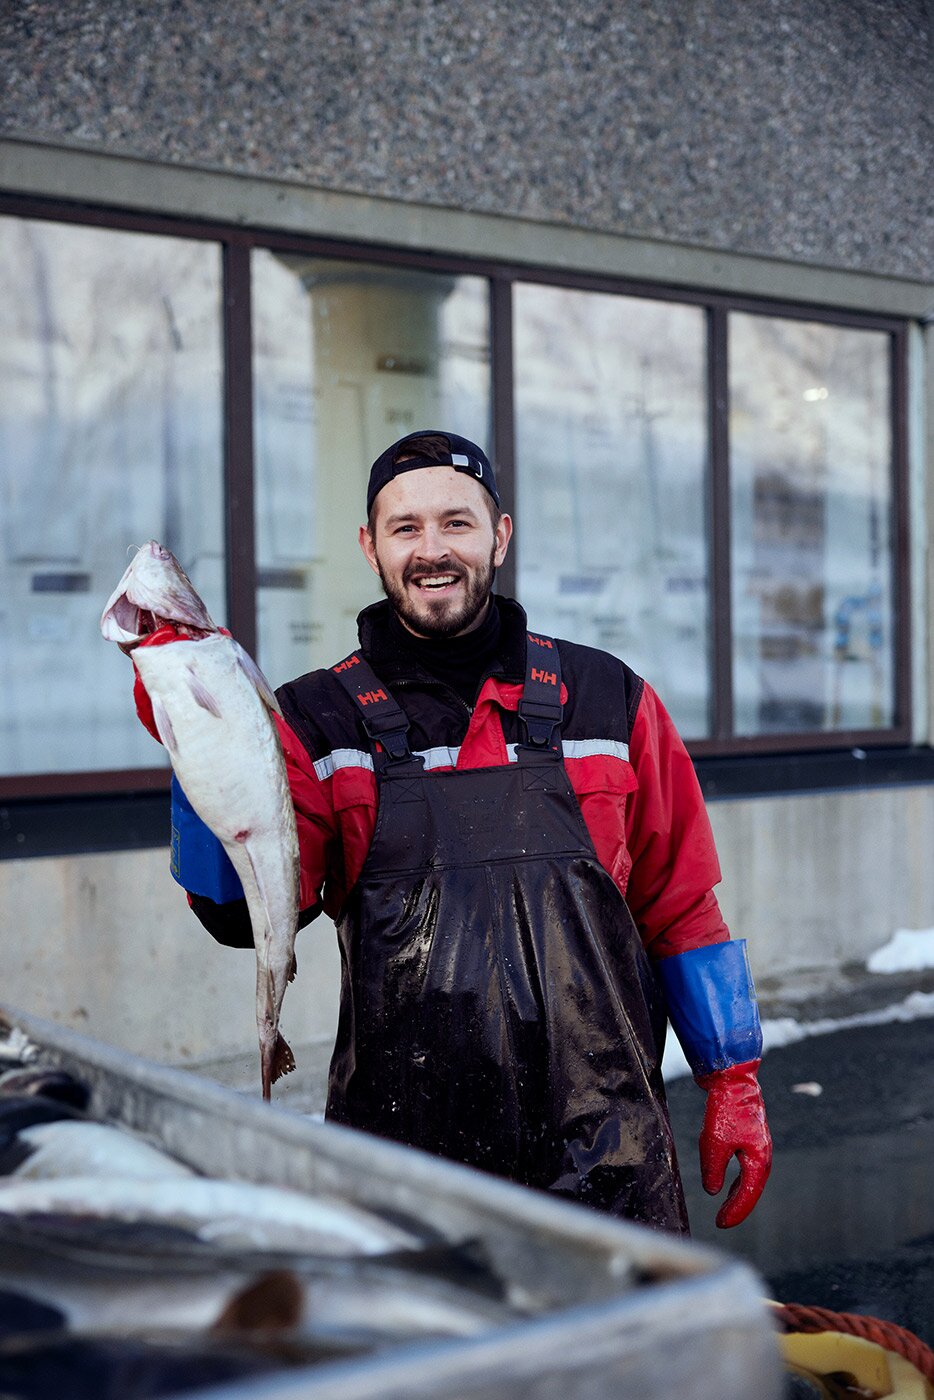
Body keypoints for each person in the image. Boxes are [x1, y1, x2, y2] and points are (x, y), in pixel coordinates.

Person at [171, 430, 772, 1235]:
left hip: (609, 1164)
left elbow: (682, 905)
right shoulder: (316, 722)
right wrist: (199, 745)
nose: (432, 550)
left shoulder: (608, 699)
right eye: (405, 527)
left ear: (501, 535)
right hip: (409, 1175)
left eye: (457, 522)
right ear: (370, 547)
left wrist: (733, 1079)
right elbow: (239, 914)